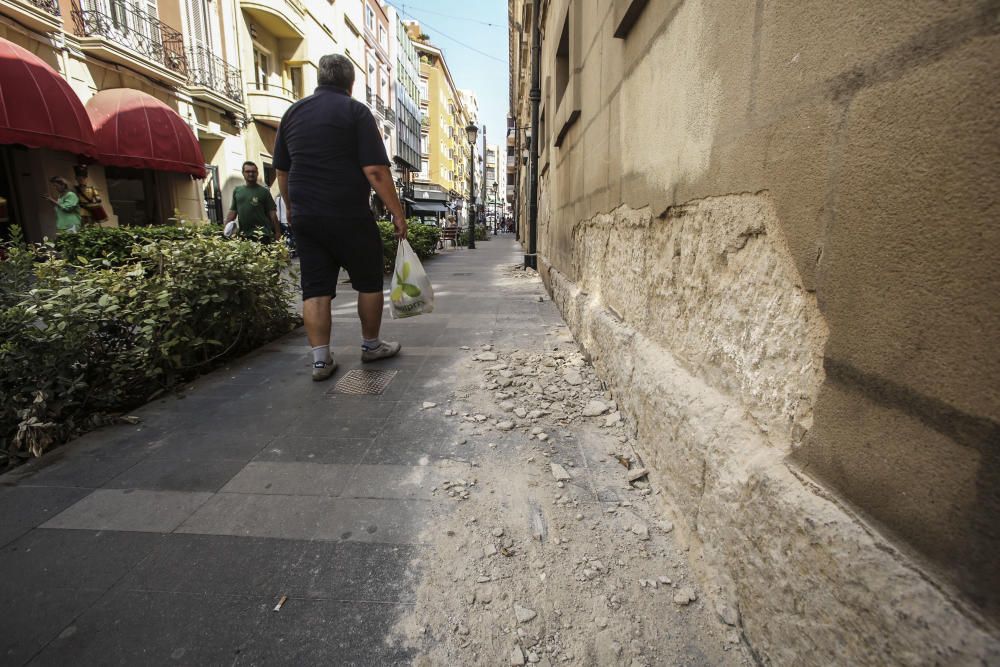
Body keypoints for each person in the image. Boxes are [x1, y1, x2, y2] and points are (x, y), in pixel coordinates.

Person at [273, 53, 407, 381]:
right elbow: (375, 170)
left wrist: (291, 208)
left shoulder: (292, 113)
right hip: (348, 214)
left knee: (315, 287)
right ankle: (371, 346)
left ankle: (321, 360)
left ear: (319, 78)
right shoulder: (355, 111)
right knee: (369, 280)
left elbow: (282, 173)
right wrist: (397, 214)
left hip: (307, 216)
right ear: (350, 82)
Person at [224, 162, 281, 242]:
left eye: (253, 171)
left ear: (257, 173)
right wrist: (225, 228)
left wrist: (277, 232)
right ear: (243, 173)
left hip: (262, 234)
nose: (251, 174)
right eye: (247, 171)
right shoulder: (237, 191)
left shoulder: (264, 192)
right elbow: (233, 212)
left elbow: (272, 214)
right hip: (244, 235)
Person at [274, 190, 296, 256]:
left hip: (282, 220)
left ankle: (289, 251)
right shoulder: (287, 197)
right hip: (286, 220)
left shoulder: (278, 197)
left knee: (287, 237)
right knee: (289, 237)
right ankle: (291, 251)